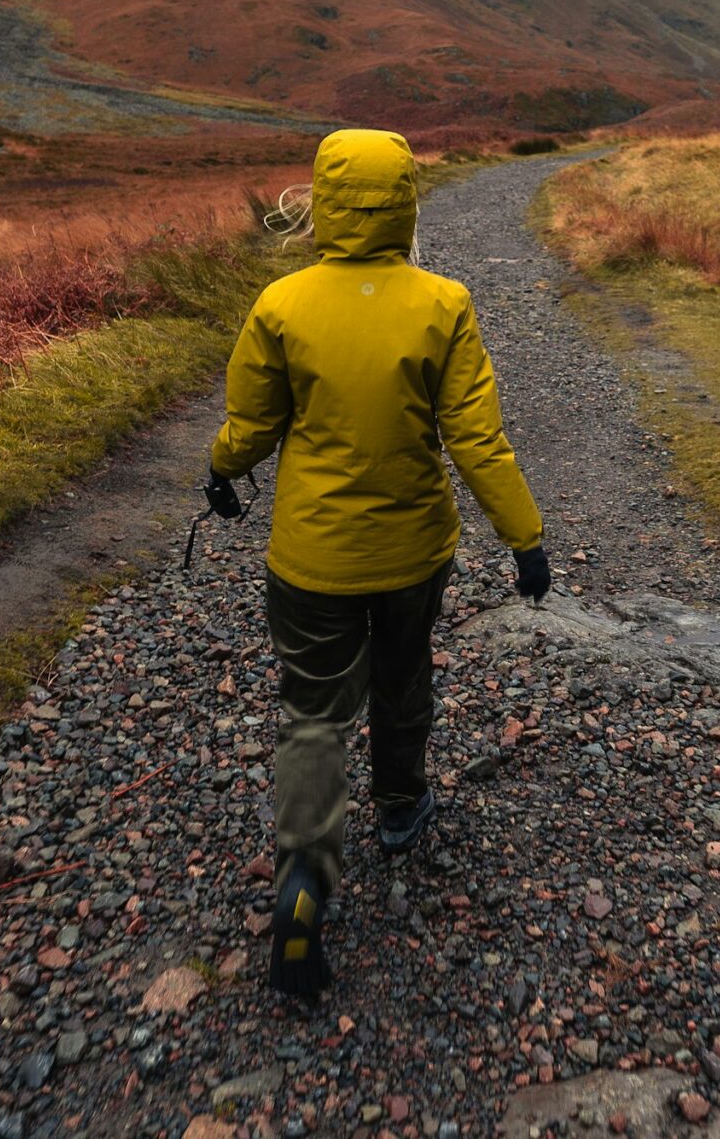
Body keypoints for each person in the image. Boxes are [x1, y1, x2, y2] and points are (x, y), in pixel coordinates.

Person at [205, 128, 551, 997]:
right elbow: (477, 439)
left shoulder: (281, 304)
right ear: (405, 201)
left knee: (314, 712)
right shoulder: (444, 303)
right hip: (411, 555)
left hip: (310, 558)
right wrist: (526, 538)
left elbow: (250, 427)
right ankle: (400, 810)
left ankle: (304, 881)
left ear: (321, 200)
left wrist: (219, 469)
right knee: (403, 675)